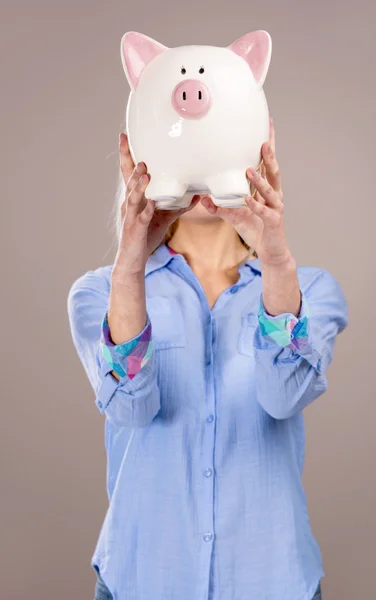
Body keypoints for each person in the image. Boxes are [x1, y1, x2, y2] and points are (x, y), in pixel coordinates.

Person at [67, 117, 348, 600]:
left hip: (272, 580)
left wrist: (277, 261)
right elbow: (130, 406)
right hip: (143, 578)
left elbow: (284, 397)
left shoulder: (309, 290)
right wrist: (130, 262)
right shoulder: (100, 292)